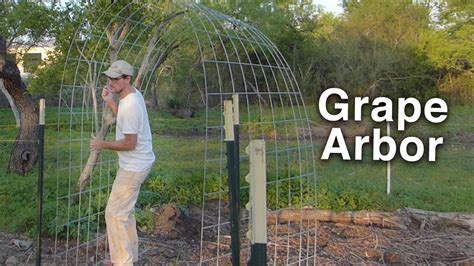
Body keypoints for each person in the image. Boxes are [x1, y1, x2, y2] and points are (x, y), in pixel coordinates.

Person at [91, 60, 155, 266]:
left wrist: (102, 144)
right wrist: (110, 101)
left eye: (116, 79)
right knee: (124, 212)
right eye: (109, 78)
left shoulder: (131, 105)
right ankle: (129, 258)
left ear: (127, 79)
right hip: (136, 163)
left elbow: (129, 143)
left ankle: (122, 262)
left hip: (134, 166)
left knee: (115, 214)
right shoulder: (131, 96)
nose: (111, 82)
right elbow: (125, 120)